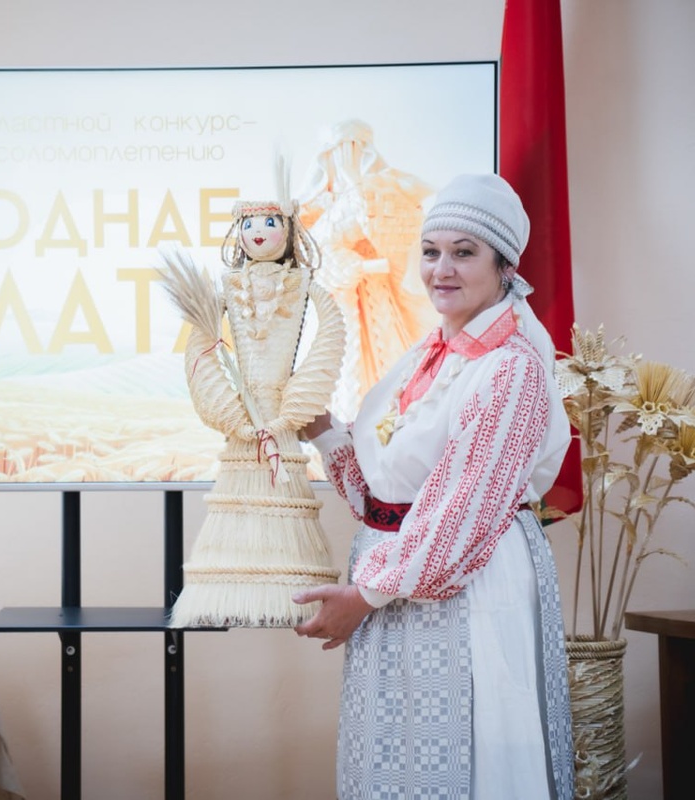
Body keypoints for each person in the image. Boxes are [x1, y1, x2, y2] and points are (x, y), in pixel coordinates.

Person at [294, 173, 574, 799]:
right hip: (399, 579)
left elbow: (462, 511)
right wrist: (323, 430)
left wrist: (364, 596)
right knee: (403, 760)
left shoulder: (510, 368)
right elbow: (384, 498)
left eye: (464, 253)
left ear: (505, 267)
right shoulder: (433, 353)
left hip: (469, 585)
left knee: (468, 755)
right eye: (430, 251)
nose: (441, 270)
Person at [160, 187, 346, 628]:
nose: (258, 232)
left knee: (280, 504)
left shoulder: (305, 286)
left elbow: (331, 331)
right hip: (246, 422)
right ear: (237, 232)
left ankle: (287, 597)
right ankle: (234, 597)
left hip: (280, 416)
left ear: (289, 230)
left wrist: (294, 407)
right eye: (248, 224)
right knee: (241, 500)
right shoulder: (228, 288)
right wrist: (232, 415)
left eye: (270, 222)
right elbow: (201, 344)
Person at [297, 120, 438, 422]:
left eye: (353, 149)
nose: (347, 157)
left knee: (385, 358)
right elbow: (314, 252)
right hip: (335, 298)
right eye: (341, 150)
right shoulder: (315, 206)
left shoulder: (380, 193)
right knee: (338, 362)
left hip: (376, 293)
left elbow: (400, 244)